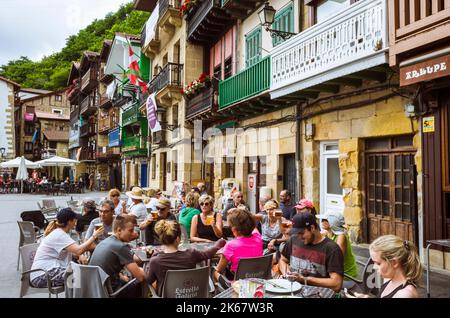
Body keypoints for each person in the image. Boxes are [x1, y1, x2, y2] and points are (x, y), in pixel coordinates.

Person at [146, 220, 226, 296]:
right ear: (178, 239)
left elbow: (148, 280)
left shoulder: (155, 261)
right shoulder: (191, 254)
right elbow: (207, 254)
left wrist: (154, 256)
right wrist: (218, 245)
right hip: (192, 294)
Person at [30, 208, 103, 288]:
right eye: (75, 220)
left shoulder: (59, 233)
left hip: (44, 272)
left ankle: (75, 294)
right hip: (42, 275)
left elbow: (73, 251)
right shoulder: (59, 235)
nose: (76, 222)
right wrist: (94, 236)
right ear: (69, 221)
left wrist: (79, 256)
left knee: (81, 274)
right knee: (82, 277)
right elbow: (78, 250)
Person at [279, 213, 344, 293]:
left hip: (318, 293)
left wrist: (304, 279)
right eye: (297, 233)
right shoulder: (293, 240)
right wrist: (287, 274)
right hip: (293, 289)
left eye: (301, 233)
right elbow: (283, 260)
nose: (299, 237)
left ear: (312, 228)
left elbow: (336, 284)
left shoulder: (331, 249)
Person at [345, 235, 422, 298]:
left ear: (394, 263)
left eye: (378, 263)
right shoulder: (388, 279)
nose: (374, 267)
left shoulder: (404, 294)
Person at [89, 214, 146, 298]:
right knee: (143, 282)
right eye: (130, 230)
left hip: (96, 289)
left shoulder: (105, 241)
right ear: (119, 230)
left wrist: (121, 276)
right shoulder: (121, 247)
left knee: (127, 279)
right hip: (111, 292)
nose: (133, 233)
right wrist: (144, 270)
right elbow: (140, 277)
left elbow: (108, 267)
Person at [214, 208, 263, 281]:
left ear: (234, 229)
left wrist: (224, 253)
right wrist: (244, 212)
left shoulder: (231, 245)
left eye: (230, 226)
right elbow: (252, 226)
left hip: (237, 283)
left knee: (215, 271)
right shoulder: (258, 238)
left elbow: (220, 269)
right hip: (257, 279)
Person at [317, 211, 358, 289]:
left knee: (313, 282)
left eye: (325, 220)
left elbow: (336, 259)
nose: (321, 221)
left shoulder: (341, 237)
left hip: (345, 277)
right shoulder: (328, 233)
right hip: (334, 273)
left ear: (332, 223)